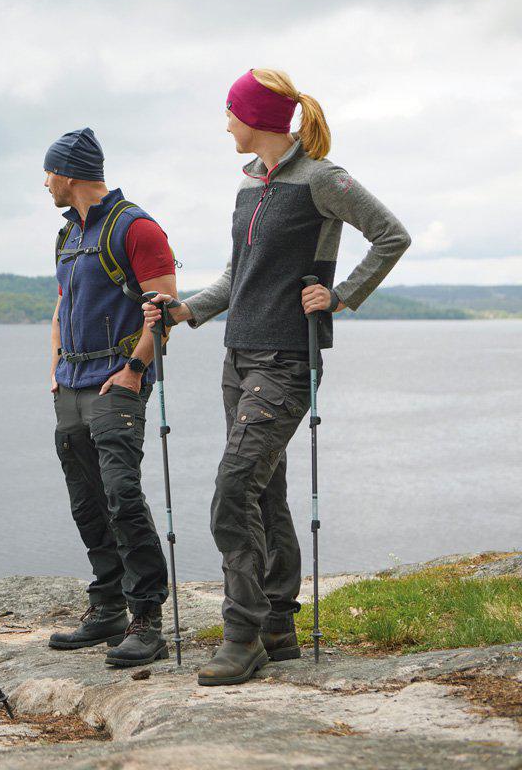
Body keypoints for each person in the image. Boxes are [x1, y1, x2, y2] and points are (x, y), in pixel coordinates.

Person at [144, 69, 411, 686]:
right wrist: (185, 312)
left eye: (230, 114)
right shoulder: (249, 185)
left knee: (233, 490)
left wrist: (340, 295)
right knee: (264, 491)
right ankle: (278, 627)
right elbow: (238, 275)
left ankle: (242, 636)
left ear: (256, 118)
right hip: (238, 358)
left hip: (286, 360)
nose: (226, 126)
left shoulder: (321, 179)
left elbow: (390, 236)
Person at [43, 127, 180, 668]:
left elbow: (166, 308)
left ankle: (146, 618)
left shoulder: (137, 228)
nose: (46, 183)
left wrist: (135, 369)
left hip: (116, 382)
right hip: (72, 382)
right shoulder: (67, 234)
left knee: (121, 494)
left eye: (49, 172)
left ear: (69, 173)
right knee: (87, 500)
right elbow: (61, 303)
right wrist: (55, 362)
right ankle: (107, 608)